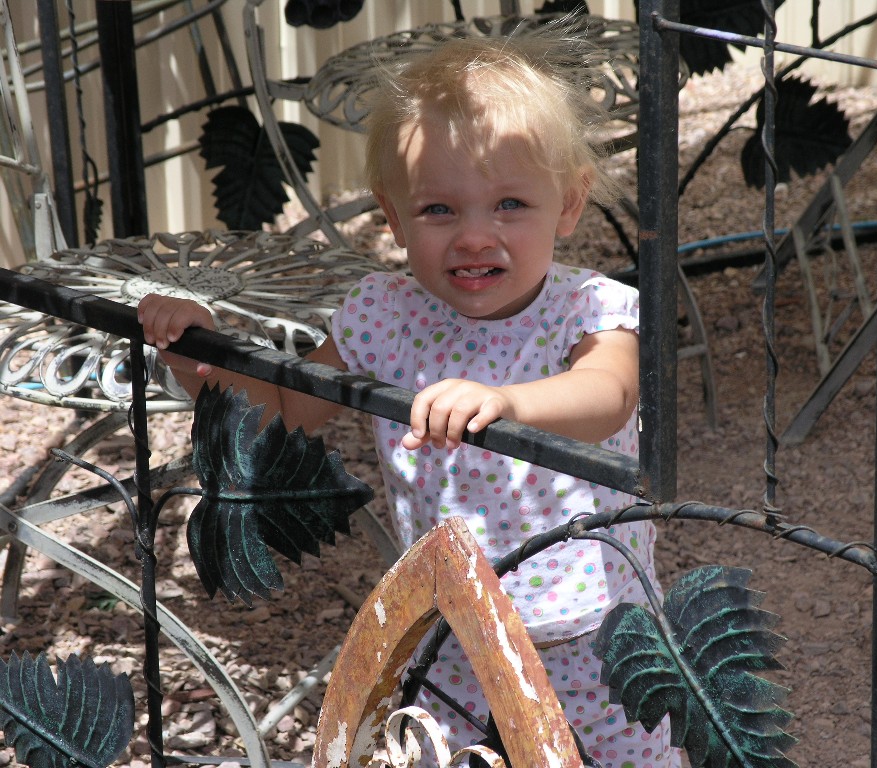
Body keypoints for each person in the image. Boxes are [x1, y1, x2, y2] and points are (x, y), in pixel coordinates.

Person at [139, 24, 681, 768]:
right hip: (449, 625)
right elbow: (289, 412)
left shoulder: (591, 308)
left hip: (592, 632)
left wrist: (508, 403)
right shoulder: (385, 314)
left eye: (510, 204)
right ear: (393, 218)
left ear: (569, 203)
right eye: (439, 211)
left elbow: (608, 394)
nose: (475, 236)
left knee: (625, 756)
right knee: (442, 752)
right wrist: (200, 356)